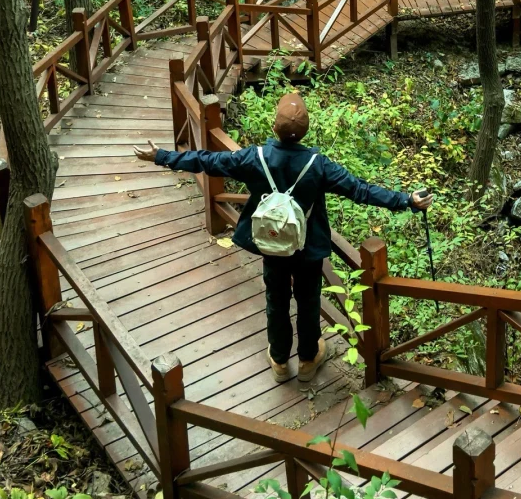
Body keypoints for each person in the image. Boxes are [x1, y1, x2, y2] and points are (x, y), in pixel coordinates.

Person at [134, 91, 432, 384]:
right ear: (306, 131)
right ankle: (308, 359)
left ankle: (279, 360)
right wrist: (406, 200)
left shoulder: (256, 157)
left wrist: (163, 156)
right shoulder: (318, 165)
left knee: (276, 298)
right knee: (308, 299)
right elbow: (360, 190)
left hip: (272, 242)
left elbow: (210, 161)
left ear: (274, 127)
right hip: (307, 247)